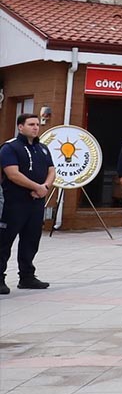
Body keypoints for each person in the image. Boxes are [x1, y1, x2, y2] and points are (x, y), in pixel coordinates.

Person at [0, 113, 55, 294]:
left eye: (37, 124)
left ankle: (27, 277)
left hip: (36, 203)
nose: (35, 127)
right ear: (20, 127)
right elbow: (12, 173)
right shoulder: (10, 148)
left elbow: (52, 170)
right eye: (31, 124)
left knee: (31, 240)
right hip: (14, 203)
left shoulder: (43, 149)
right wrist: (36, 187)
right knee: (4, 241)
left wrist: (44, 187)